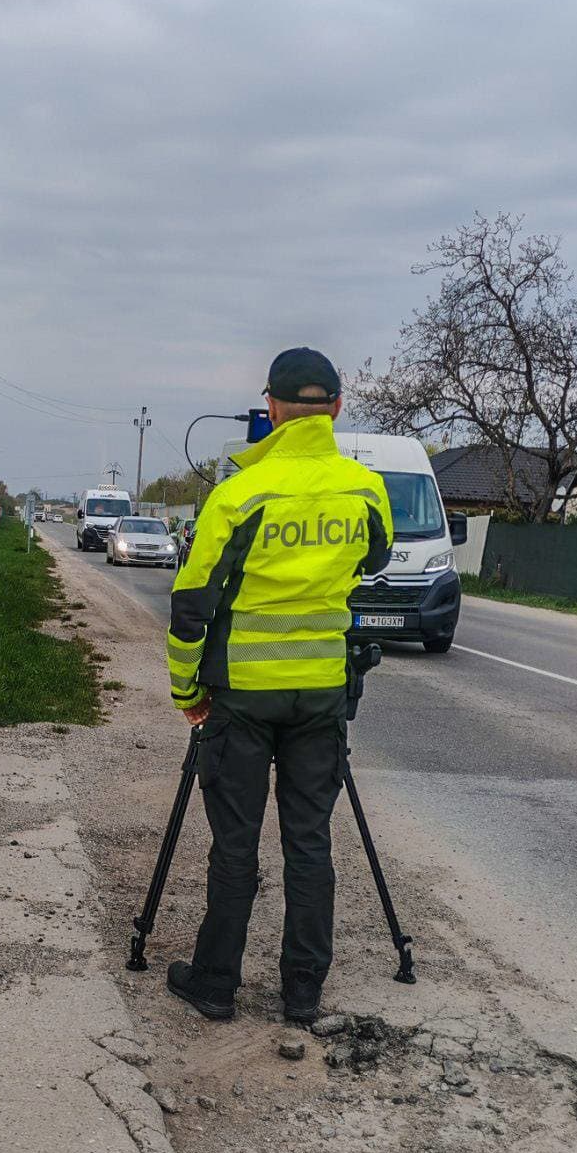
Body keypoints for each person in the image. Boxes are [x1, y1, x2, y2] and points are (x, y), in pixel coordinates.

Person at [164, 347, 393, 1024]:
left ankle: (215, 984)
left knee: (236, 845)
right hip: (321, 693)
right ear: (337, 408)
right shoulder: (365, 490)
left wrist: (187, 693)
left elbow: (192, 604)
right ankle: (302, 991)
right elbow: (375, 557)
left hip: (242, 695)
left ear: (270, 407)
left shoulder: (240, 494)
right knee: (310, 842)